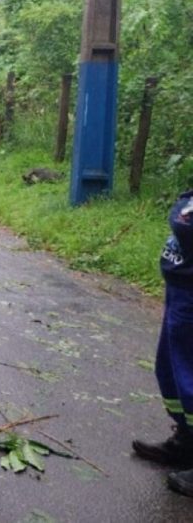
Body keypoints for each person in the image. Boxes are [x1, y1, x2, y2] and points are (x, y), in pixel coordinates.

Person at [134, 190, 193, 497]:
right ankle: (186, 440)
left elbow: (183, 222)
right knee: (171, 369)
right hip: (181, 288)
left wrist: (181, 214)